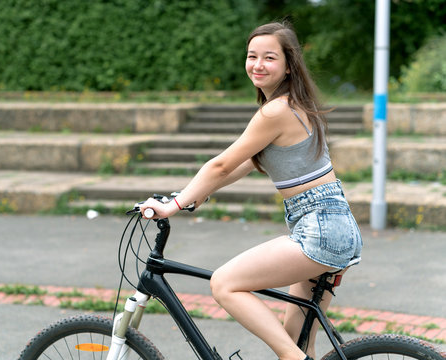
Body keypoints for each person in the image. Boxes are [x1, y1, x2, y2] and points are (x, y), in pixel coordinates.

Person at [140, 21, 363, 360]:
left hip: (319, 231)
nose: (258, 64)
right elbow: (245, 164)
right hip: (334, 227)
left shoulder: (276, 111)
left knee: (225, 284)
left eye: (269, 58)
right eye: (252, 56)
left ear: (289, 65)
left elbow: (221, 165)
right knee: (299, 342)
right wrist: (194, 195)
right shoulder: (295, 105)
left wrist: (175, 203)